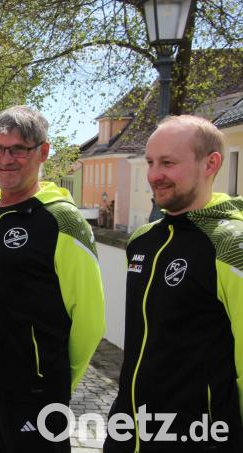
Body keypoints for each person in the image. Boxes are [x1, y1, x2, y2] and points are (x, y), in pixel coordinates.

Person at [0, 106, 105, 452]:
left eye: (18, 149)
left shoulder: (62, 221)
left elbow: (90, 318)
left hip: (33, 399)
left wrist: (53, 382)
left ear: (42, 152)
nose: (5, 159)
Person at [104, 116, 243, 453]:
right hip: (128, 430)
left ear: (211, 164)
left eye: (168, 163)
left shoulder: (230, 245)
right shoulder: (142, 240)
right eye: (150, 162)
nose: (154, 175)